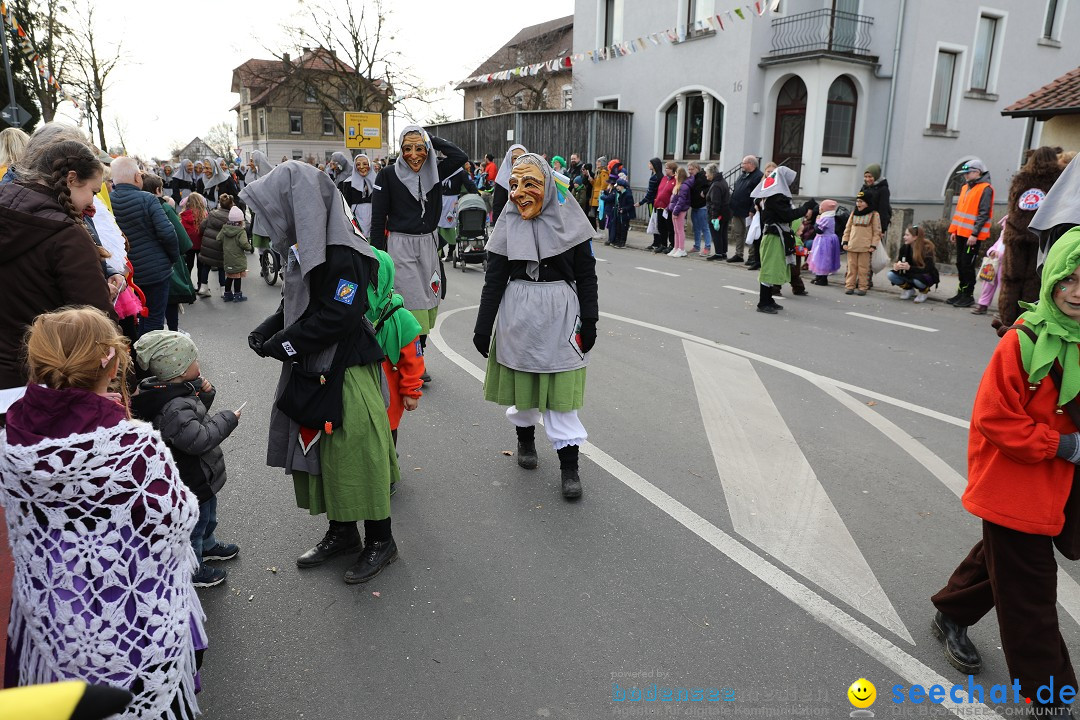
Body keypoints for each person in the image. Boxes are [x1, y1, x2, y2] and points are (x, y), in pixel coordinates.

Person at [0, 307, 206, 716]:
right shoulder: (132, 447)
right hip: (130, 605)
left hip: (51, 606)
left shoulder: (12, 437)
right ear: (110, 361)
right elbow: (177, 518)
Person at [930, 227, 1080, 718]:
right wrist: (1059, 443)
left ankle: (952, 610)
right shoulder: (1022, 341)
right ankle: (1049, 694)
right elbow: (995, 419)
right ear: (1051, 279)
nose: (1078, 291)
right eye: (1069, 279)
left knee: (1006, 560)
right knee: (1030, 592)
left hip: (1064, 486)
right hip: (1016, 485)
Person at [242, 160, 401, 584]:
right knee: (323, 453)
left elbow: (339, 316)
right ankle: (342, 532)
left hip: (345, 368)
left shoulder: (344, 250)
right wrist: (269, 328)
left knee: (355, 455)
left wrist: (285, 344)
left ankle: (381, 541)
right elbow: (299, 301)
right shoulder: (307, 243)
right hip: (315, 363)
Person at [473, 153, 597, 500]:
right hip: (519, 316)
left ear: (547, 184)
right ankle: (525, 441)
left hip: (561, 317)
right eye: (513, 184)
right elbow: (494, 278)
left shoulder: (572, 222)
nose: (518, 193)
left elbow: (587, 277)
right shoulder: (507, 224)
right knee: (525, 390)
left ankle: (569, 468)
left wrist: (590, 321)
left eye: (529, 184)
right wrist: (484, 326)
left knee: (561, 398)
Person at [0, 131, 118, 390]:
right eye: (93, 191)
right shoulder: (66, 236)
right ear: (72, 179)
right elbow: (97, 321)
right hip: (46, 379)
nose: (92, 202)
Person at [131, 330, 242, 588]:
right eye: (194, 361)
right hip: (191, 476)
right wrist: (228, 419)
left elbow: (192, 416)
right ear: (178, 370)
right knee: (196, 522)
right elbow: (198, 438)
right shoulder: (173, 405)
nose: (199, 364)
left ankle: (209, 544)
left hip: (198, 475)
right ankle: (194, 567)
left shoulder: (172, 391)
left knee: (208, 514)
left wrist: (206, 393)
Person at [369, 126, 467, 379]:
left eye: (419, 148)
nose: (414, 155)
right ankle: (411, 363)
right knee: (409, 303)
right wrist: (378, 256)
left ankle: (416, 356)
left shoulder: (434, 171)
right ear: (400, 150)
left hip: (428, 246)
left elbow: (459, 157)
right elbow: (378, 218)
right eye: (407, 148)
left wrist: (428, 137)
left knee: (428, 301)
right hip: (401, 246)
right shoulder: (388, 175)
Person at [996, 147, 1063, 330]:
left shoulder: (1020, 179)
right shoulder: (1058, 179)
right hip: (1040, 235)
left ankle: (1007, 319)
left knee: (1011, 278)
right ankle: (1026, 322)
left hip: (1015, 234)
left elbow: (1012, 206)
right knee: (1034, 279)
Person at [110, 157, 179, 334]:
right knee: (154, 317)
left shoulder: (108, 201)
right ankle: (150, 357)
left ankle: (136, 357)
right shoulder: (148, 199)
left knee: (133, 318)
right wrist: (172, 258)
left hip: (124, 271)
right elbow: (167, 232)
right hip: (155, 269)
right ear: (136, 177)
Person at [365, 247, 424, 454]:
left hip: (388, 392)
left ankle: (388, 468)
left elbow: (414, 360)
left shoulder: (401, 318)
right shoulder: (349, 312)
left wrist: (411, 391)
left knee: (388, 431)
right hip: (360, 386)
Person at [751, 166, 814, 313]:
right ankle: (763, 302)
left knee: (774, 268)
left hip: (776, 236)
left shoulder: (773, 196)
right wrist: (806, 208)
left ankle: (768, 299)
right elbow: (787, 215)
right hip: (773, 237)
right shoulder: (776, 197)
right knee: (769, 270)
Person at [141, 173, 196, 330]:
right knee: (169, 301)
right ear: (158, 189)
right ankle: (172, 333)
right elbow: (183, 241)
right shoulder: (163, 208)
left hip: (139, 264)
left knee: (146, 308)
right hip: (164, 263)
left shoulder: (133, 205)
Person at [947, 159, 995, 308]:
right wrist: (954, 230)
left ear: (977, 172)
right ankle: (961, 293)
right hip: (961, 233)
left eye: (968, 173)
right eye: (965, 173)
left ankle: (968, 295)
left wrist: (974, 234)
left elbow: (983, 213)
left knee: (967, 264)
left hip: (972, 236)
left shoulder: (986, 189)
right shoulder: (965, 188)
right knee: (960, 263)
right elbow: (960, 212)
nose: (965, 176)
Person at [841, 191, 881, 296]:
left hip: (865, 247)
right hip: (852, 245)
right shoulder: (853, 213)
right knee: (851, 267)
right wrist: (845, 241)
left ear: (867, 202)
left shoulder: (874, 214)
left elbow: (877, 232)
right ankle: (849, 286)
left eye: (861, 201)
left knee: (863, 269)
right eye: (857, 201)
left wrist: (873, 245)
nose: (858, 204)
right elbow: (848, 228)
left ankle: (863, 287)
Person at [886, 225, 939, 303]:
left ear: (915, 237)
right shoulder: (905, 247)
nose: (904, 237)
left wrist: (909, 268)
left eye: (907, 235)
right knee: (890, 275)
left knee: (917, 280)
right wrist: (897, 266)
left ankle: (923, 292)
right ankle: (909, 290)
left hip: (925, 275)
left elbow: (928, 269)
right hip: (909, 273)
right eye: (905, 234)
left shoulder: (927, 248)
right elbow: (900, 261)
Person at [196, 194, 235, 300]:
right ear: (231, 205)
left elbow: (202, 227)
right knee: (222, 268)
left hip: (208, 245)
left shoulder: (212, 214)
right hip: (222, 246)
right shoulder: (231, 217)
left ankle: (203, 287)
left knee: (206, 265)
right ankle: (224, 290)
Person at [437, 165, 479, 261]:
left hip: (452, 202)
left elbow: (469, 185)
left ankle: (451, 252)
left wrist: (476, 195)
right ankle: (440, 252)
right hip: (439, 201)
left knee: (451, 227)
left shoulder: (461, 173)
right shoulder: (440, 170)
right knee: (437, 227)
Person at [727, 155, 763, 265]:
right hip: (737, 209)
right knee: (738, 233)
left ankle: (752, 256)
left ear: (751, 164)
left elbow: (757, 195)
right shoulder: (742, 175)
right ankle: (739, 254)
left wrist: (752, 209)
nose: (742, 165)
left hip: (748, 211)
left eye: (744, 163)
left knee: (750, 234)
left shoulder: (758, 176)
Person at [220, 205, 252, 302]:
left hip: (227, 257)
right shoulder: (241, 231)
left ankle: (227, 294)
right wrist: (250, 247)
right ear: (240, 221)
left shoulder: (224, 229)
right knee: (237, 277)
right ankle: (237, 295)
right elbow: (244, 244)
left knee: (229, 276)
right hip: (237, 258)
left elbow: (218, 238)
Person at [492, 144, 527, 225]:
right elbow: (498, 206)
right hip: (508, 223)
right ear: (509, 160)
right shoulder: (502, 179)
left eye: (522, 157)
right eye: (515, 158)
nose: (518, 160)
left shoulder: (532, 177)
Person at [342, 153, 375, 237]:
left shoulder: (376, 181)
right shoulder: (348, 183)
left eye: (365, 164)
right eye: (358, 164)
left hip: (372, 214)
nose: (361, 167)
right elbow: (346, 203)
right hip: (356, 214)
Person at [971, 235, 1005, 315]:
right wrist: (991, 251)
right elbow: (997, 244)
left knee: (1004, 288)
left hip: (1005, 264)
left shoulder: (1014, 233)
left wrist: (1001, 255)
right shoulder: (1003, 233)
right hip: (994, 262)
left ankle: (1004, 310)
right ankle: (983, 305)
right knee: (987, 284)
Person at [705, 163, 731, 261]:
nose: (705, 175)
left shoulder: (716, 185)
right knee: (723, 233)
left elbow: (715, 203)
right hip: (725, 212)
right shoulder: (722, 181)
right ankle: (723, 252)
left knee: (716, 234)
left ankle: (718, 253)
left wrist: (714, 217)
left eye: (707, 173)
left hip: (718, 214)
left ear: (712, 173)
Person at [859, 164, 892, 238]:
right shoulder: (864, 187)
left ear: (876, 176)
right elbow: (858, 203)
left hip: (875, 223)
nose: (867, 179)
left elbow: (883, 209)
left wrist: (882, 229)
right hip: (863, 222)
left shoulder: (883, 189)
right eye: (866, 177)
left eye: (870, 177)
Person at [667, 166, 692, 258]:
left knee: (680, 230)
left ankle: (681, 249)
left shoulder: (683, 186)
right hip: (675, 210)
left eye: (676, 174)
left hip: (680, 211)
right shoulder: (678, 185)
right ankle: (676, 247)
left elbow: (681, 201)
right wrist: (669, 208)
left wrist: (676, 211)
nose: (675, 175)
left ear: (680, 175)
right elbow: (673, 200)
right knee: (676, 230)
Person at [638, 158, 662, 250]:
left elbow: (650, 193)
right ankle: (657, 242)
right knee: (656, 221)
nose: (648, 165)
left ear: (654, 165)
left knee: (654, 221)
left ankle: (657, 242)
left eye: (650, 163)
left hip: (652, 203)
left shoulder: (654, 177)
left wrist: (641, 202)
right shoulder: (658, 176)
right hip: (656, 202)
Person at [687, 161, 710, 256]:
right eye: (688, 169)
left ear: (697, 168)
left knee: (705, 227)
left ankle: (707, 247)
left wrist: (704, 192)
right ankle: (696, 246)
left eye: (692, 169)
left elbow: (710, 186)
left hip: (702, 206)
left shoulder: (704, 176)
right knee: (696, 227)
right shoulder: (692, 178)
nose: (690, 171)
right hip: (694, 206)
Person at [590, 156, 609, 231]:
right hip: (595, 195)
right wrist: (592, 181)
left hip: (599, 196)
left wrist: (600, 196)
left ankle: (601, 230)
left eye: (599, 162)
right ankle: (598, 230)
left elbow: (603, 185)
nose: (597, 163)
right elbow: (596, 185)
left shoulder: (603, 172)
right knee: (596, 214)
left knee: (600, 214)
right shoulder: (598, 172)